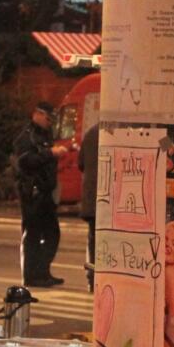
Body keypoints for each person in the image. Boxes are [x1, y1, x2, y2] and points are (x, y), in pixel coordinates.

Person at [14, 101, 69, 287]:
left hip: (45, 191)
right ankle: (32, 275)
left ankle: (42, 271)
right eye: (47, 118)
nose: (49, 122)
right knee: (33, 234)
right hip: (33, 191)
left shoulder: (44, 134)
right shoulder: (27, 137)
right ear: (37, 114)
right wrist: (50, 153)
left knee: (51, 233)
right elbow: (25, 162)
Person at [77, 123, 99, 292]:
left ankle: (92, 279)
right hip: (110, 199)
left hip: (92, 198)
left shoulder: (91, 132)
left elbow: (81, 163)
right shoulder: (124, 130)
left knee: (93, 240)